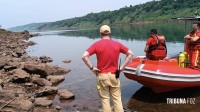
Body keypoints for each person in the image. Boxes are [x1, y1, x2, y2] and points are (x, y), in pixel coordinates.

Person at [82, 25, 133, 112]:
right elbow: (130, 54)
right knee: (117, 99)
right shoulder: (117, 44)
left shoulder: (96, 44)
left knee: (105, 99)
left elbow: (84, 56)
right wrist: (121, 67)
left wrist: (92, 68)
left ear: (100, 33)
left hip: (102, 76)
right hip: (114, 76)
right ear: (109, 33)